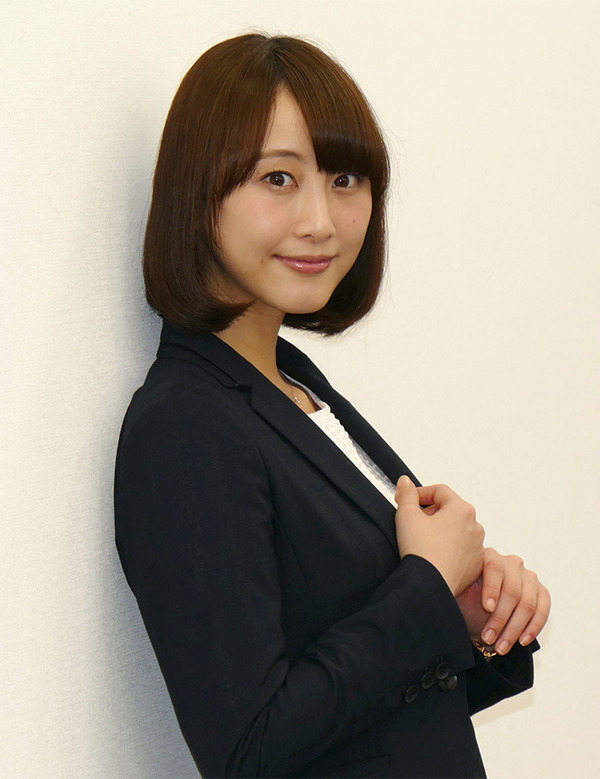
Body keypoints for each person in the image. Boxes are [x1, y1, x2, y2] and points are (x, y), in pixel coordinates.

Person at [114, 34, 550, 778]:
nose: (320, 219)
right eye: (278, 178)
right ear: (200, 191)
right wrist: (425, 586)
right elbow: (249, 751)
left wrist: (471, 618)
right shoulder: (184, 426)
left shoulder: (294, 382)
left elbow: (373, 716)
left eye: (344, 178)